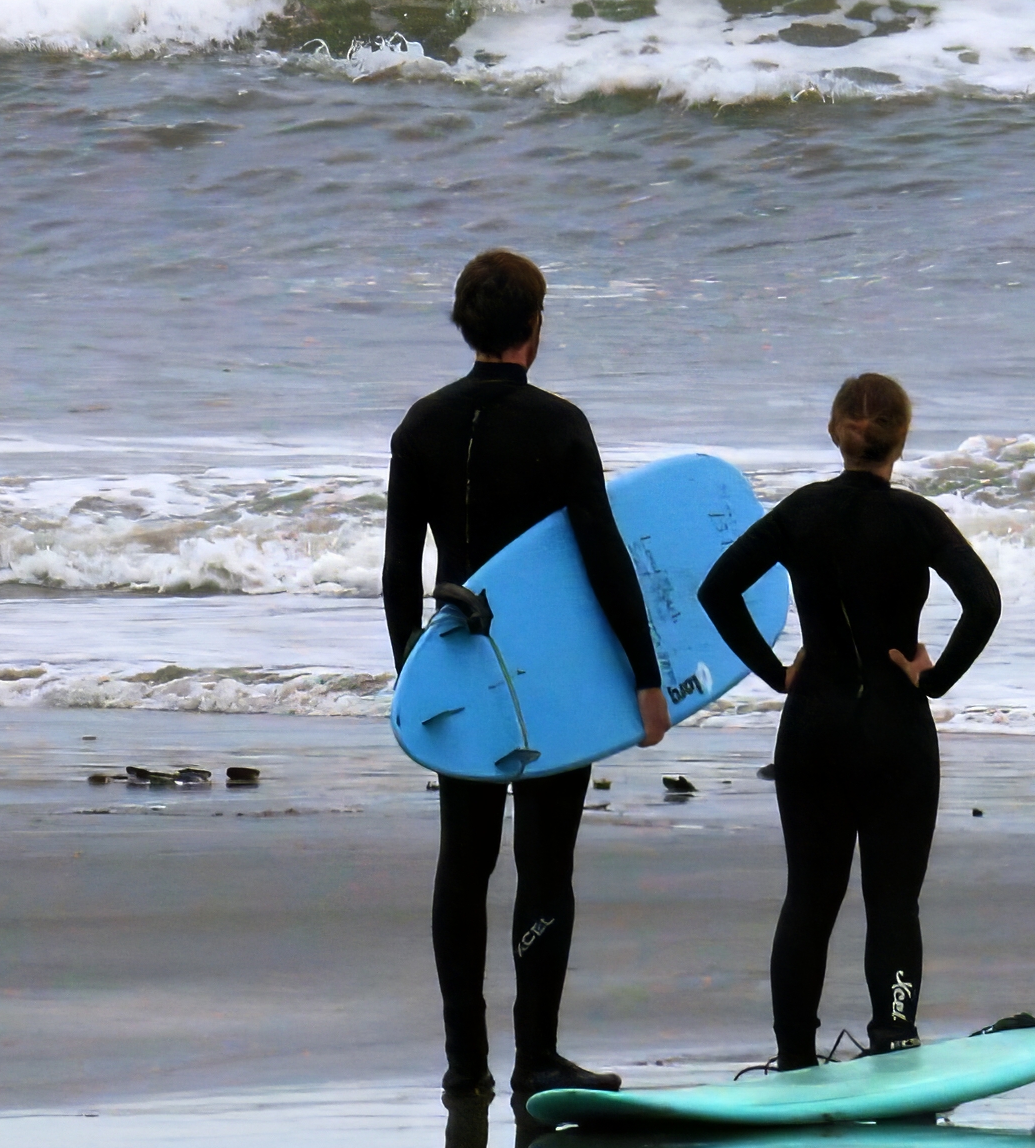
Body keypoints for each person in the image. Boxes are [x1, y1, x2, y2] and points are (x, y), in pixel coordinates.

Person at [382, 247, 670, 1100]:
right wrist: (646, 674)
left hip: (457, 670)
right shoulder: (559, 426)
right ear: (535, 329)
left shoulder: (420, 426)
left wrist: (413, 680)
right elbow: (605, 557)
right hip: (551, 676)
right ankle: (536, 1058)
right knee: (546, 864)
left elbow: (399, 573)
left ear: (465, 324)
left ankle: (464, 1064)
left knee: (463, 863)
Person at [697, 371, 1002, 1068]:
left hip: (814, 725)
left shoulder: (800, 512)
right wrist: (935, 679)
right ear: (902, 438)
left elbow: (717, 590)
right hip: (895, 727)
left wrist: (776, 672)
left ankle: (793, 1055)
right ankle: (893, 1036)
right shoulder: (918, 518)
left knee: (809, 898)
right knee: (893, 900)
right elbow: (983, 602)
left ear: (836, 431)